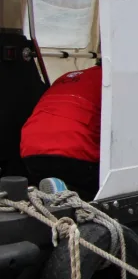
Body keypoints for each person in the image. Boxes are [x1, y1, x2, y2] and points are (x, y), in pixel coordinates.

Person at [20, 64, 102, 201]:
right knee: (96, 195)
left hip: (30, 147)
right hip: (73, 148)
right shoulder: (112, 80)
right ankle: (65, 192)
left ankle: (47, 194)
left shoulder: (67, 76)